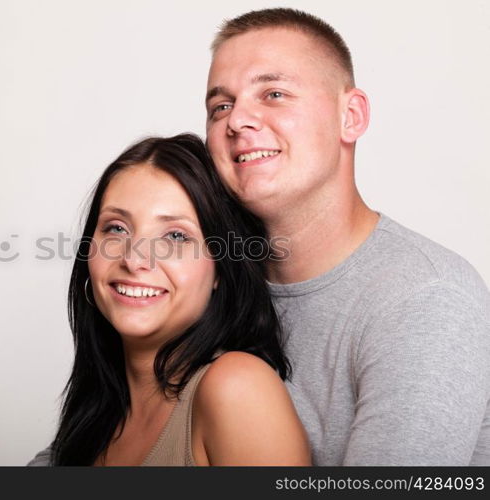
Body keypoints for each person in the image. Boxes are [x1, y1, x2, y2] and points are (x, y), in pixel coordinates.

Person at [30, 8, 490, 466]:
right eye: (221, 106)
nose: (237, 121)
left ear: (350, 116)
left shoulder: (425, 298)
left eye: (273, 93)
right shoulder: (203, 291)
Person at [48, 134, 309, 465]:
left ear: (220, 269)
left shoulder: (237, 388)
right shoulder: (96, 411)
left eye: (175, 236)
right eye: (116, 228)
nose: (134, 258)